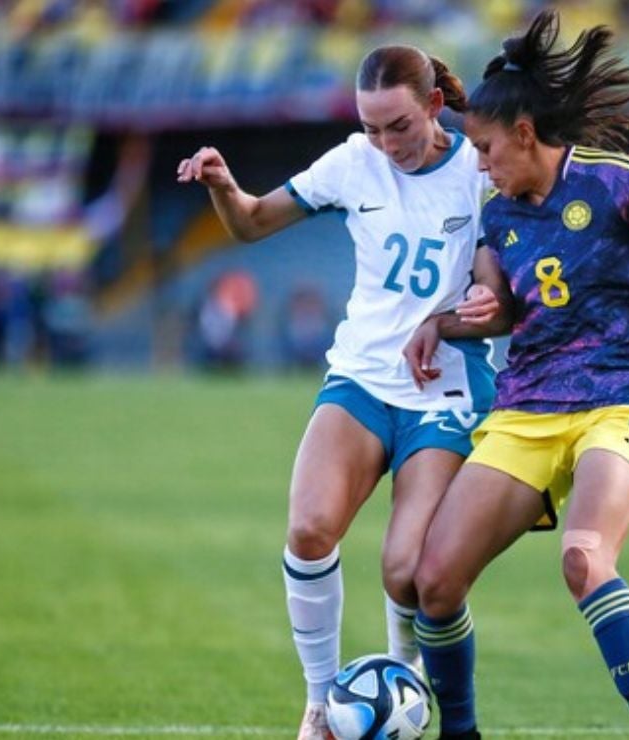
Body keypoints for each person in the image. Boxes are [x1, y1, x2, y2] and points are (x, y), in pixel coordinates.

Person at [401, 10, 629, 739]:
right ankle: (459, 733)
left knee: (584, 556)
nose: (481, 163)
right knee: (433, 582)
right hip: (527, 405)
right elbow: (494, 311)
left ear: (525, 134)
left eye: (487, 147)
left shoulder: (612, 182)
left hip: (617, 399)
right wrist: (445, 319)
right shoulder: (498, 215)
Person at [177, 45, 508, 740]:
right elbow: (251, 222)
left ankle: (400, 692)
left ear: (435, 107)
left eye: (400, 126)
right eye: (373, 126)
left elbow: (502, 296)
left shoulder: (480, 173)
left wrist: (474, 311)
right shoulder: (352, 162)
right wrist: (221, 184)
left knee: (409, 571)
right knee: (308, 528)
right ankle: (322, 704)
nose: (386, 143)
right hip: (360, 375)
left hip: (445, 392)